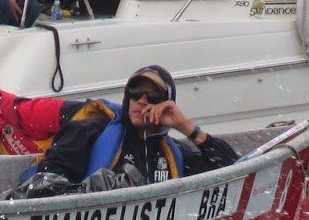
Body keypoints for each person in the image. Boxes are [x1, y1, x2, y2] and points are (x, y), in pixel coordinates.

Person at [23, 65, 238, 197]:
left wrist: (187, 127)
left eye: (153, 96)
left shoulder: (176, 153)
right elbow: (43, 188)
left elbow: (233, 171)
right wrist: (94, 190)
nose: (142, 100)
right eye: (135, 92)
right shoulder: (89, 131)